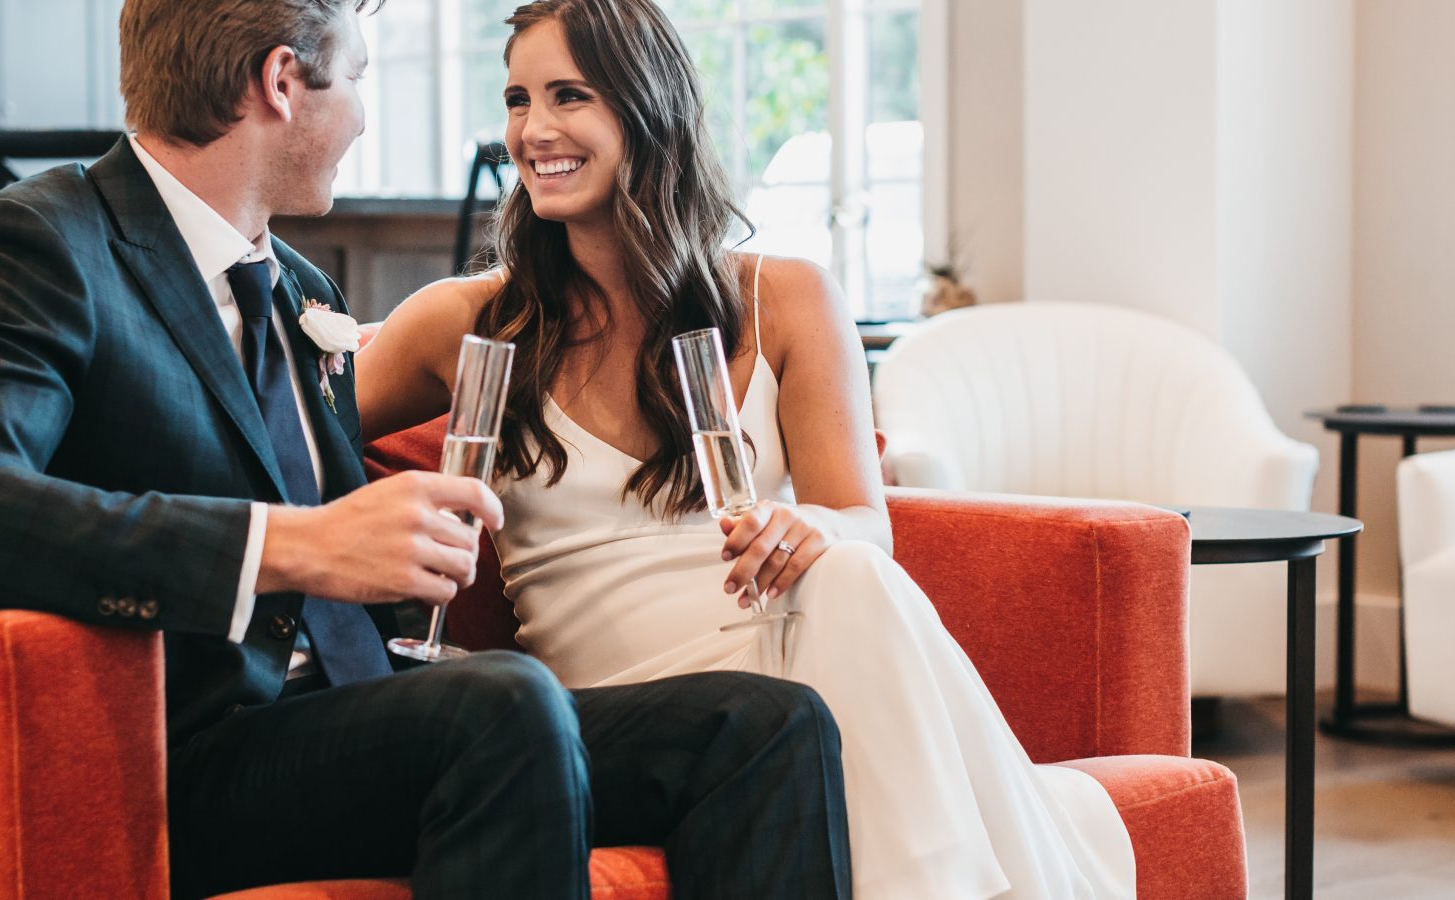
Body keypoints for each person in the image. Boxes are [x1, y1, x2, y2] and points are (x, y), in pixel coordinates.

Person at [0, 1, 852, 897]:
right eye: (361, 78)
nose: (367, 120)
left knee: (766, 725)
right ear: (282, 82)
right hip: (193, 749)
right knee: (501, 703)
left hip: (369, 714)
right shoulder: (43, 247)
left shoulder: (299, 290)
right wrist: (287, 545)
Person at [357, 1, 1137, 897]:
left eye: (569, 96)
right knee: (850, 592)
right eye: (517, 99)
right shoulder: (467, 322)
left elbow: (863, 525)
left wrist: (811, 527)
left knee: (847, 572)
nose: (534, 131)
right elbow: (277, 433)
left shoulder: (789, 299)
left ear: (648, 109)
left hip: (788, 649)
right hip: (625, 714)